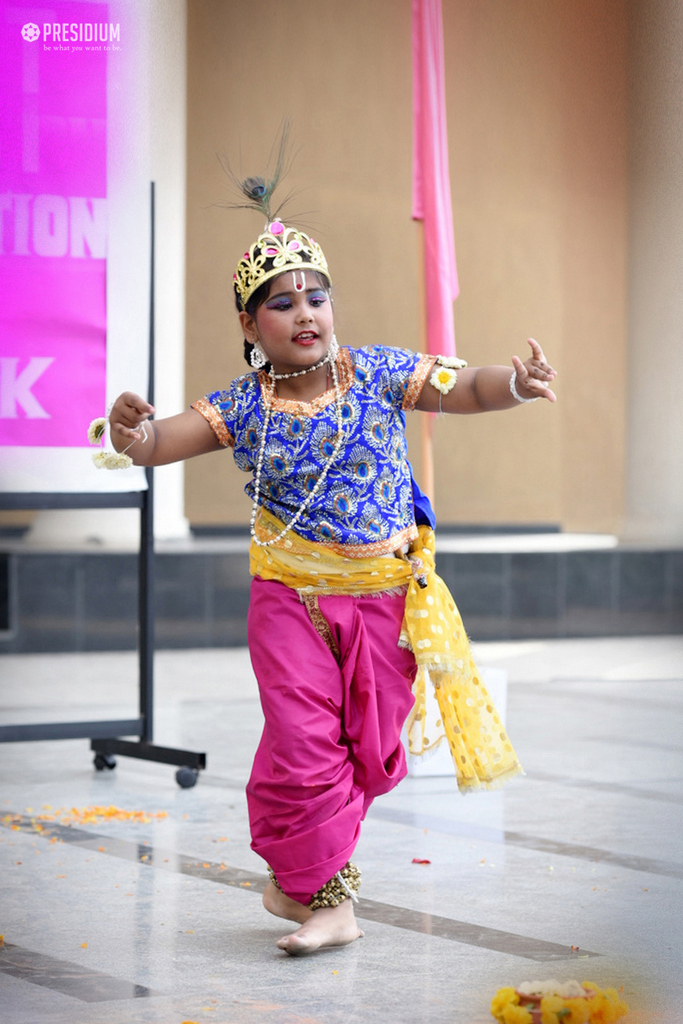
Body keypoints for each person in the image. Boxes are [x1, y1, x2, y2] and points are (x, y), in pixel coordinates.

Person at [108, 216, 557, 957]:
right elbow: (158, 443)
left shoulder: (377, 372)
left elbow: (465, 386)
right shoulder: (243, 405)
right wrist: (129, 433)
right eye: (281, 303)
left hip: (386, 599)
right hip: (288, 598)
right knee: (303, 740)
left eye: (316, 296)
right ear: (250, 323)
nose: (304, 312)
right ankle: (329, 900)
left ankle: (300, 884)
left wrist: (513, 383)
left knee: (368, 752)